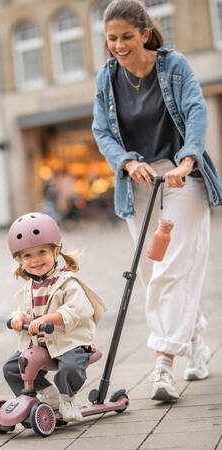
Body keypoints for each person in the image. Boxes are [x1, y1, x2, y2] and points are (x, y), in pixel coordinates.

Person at [92, 0, 222, 402]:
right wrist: (128, 163)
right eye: (111, 38)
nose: (118, 45)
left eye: (126, 37)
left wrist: (187, 160)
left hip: (183, 178)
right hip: (140, 181)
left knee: (173, 268)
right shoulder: (107, 78)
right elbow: (103, 132)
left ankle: (163, 366)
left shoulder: (174, 65)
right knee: (153, 273)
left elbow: (196, 112)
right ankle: (195, 341)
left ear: (145, 33)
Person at [3, 212, 107, 421]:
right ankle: (47, 394)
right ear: (20, 260)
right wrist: (19, 318)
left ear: (56, 251)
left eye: (42, 251)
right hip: (42, 345)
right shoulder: (28, 288)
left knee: (69, 367)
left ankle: (67, 400)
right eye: (27, 256)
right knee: (12, 367)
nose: (35, 260)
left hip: (70, 343)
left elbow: (77, 310)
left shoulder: (68, 283)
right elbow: (23, 309)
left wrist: (49, 318)